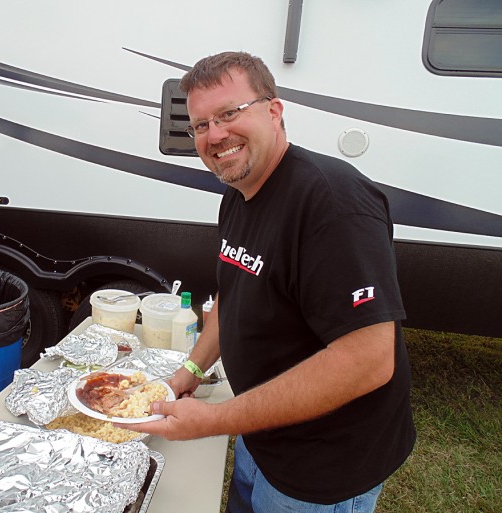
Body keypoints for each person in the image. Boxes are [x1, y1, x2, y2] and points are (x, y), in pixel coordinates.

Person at [120, 51, 416, 512]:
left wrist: (215, 420)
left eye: (229, 113)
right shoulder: (239, 194)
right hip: (261, 433)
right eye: (200, 125)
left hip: (324, 465)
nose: (215, 135)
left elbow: (369, 361)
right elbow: (231, 299)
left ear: (274, 111)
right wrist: (191, 372)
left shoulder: (332, 204)